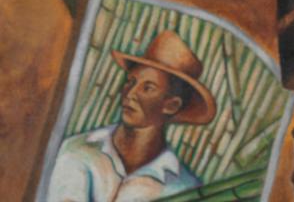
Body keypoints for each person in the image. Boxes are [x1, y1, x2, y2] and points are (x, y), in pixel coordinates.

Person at [49, 29, 217, 202]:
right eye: (130, 82)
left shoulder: (183, 188)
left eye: (148, 88)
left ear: (171, 105)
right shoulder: (75, 150)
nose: (130, 93)